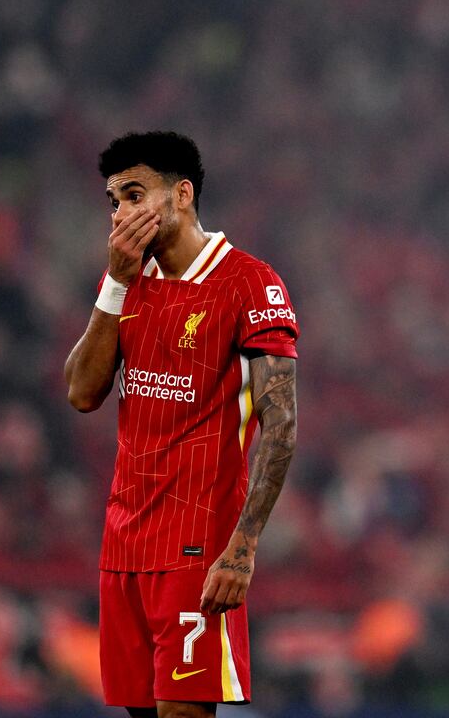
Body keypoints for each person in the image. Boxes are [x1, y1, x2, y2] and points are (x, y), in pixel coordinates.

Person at [64, 131, 299, 718]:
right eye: (114, 201)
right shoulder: (125, 283)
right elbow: (81, 392)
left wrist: (242, 549)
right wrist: (115, 282)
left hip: (197, 549)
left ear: (182, 195)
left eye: (135, 194)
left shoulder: (249, 282)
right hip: (123, 545)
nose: (121, 213)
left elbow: (283, 425)